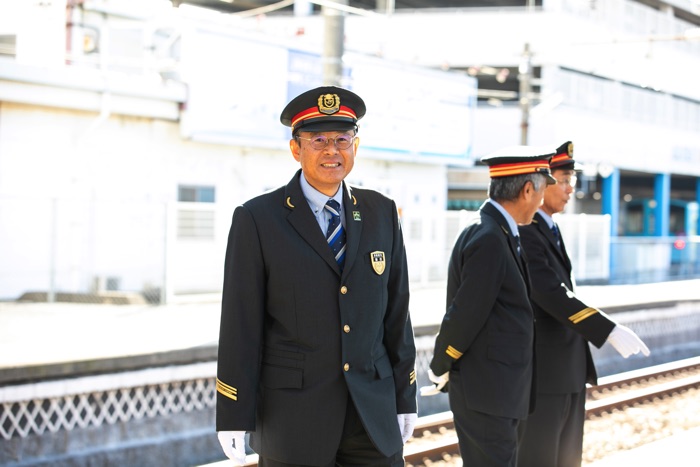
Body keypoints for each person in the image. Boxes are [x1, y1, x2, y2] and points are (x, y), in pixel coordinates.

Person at [215, 86, 417, 467]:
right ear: (296, 148)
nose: (332, 151)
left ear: (356, 146)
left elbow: (397, 315)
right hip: (293, 420)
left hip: (372, 415)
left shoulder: (381, 212)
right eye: (319, 140)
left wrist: (406, 397)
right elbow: (241, 323)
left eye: (343, 139)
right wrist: (233, 411)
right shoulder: (258, 219)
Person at [516, 141, 650, 467]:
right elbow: (550, 293)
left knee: (567, 458)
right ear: (537, 185)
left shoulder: (549, 228)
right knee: (542, 457)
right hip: (545, 375)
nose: (569, 189)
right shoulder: (527, 231)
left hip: (566, 372)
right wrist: (607, 329)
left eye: (571, 181)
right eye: (562, 181)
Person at [423, 147, 556, 466]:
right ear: (527, 190)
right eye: (541, 193)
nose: (541, 203)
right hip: (488, 396)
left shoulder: (499, 233)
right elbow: (465, 313)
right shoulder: (489, 238)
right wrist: (441, 364)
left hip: (498, 394)